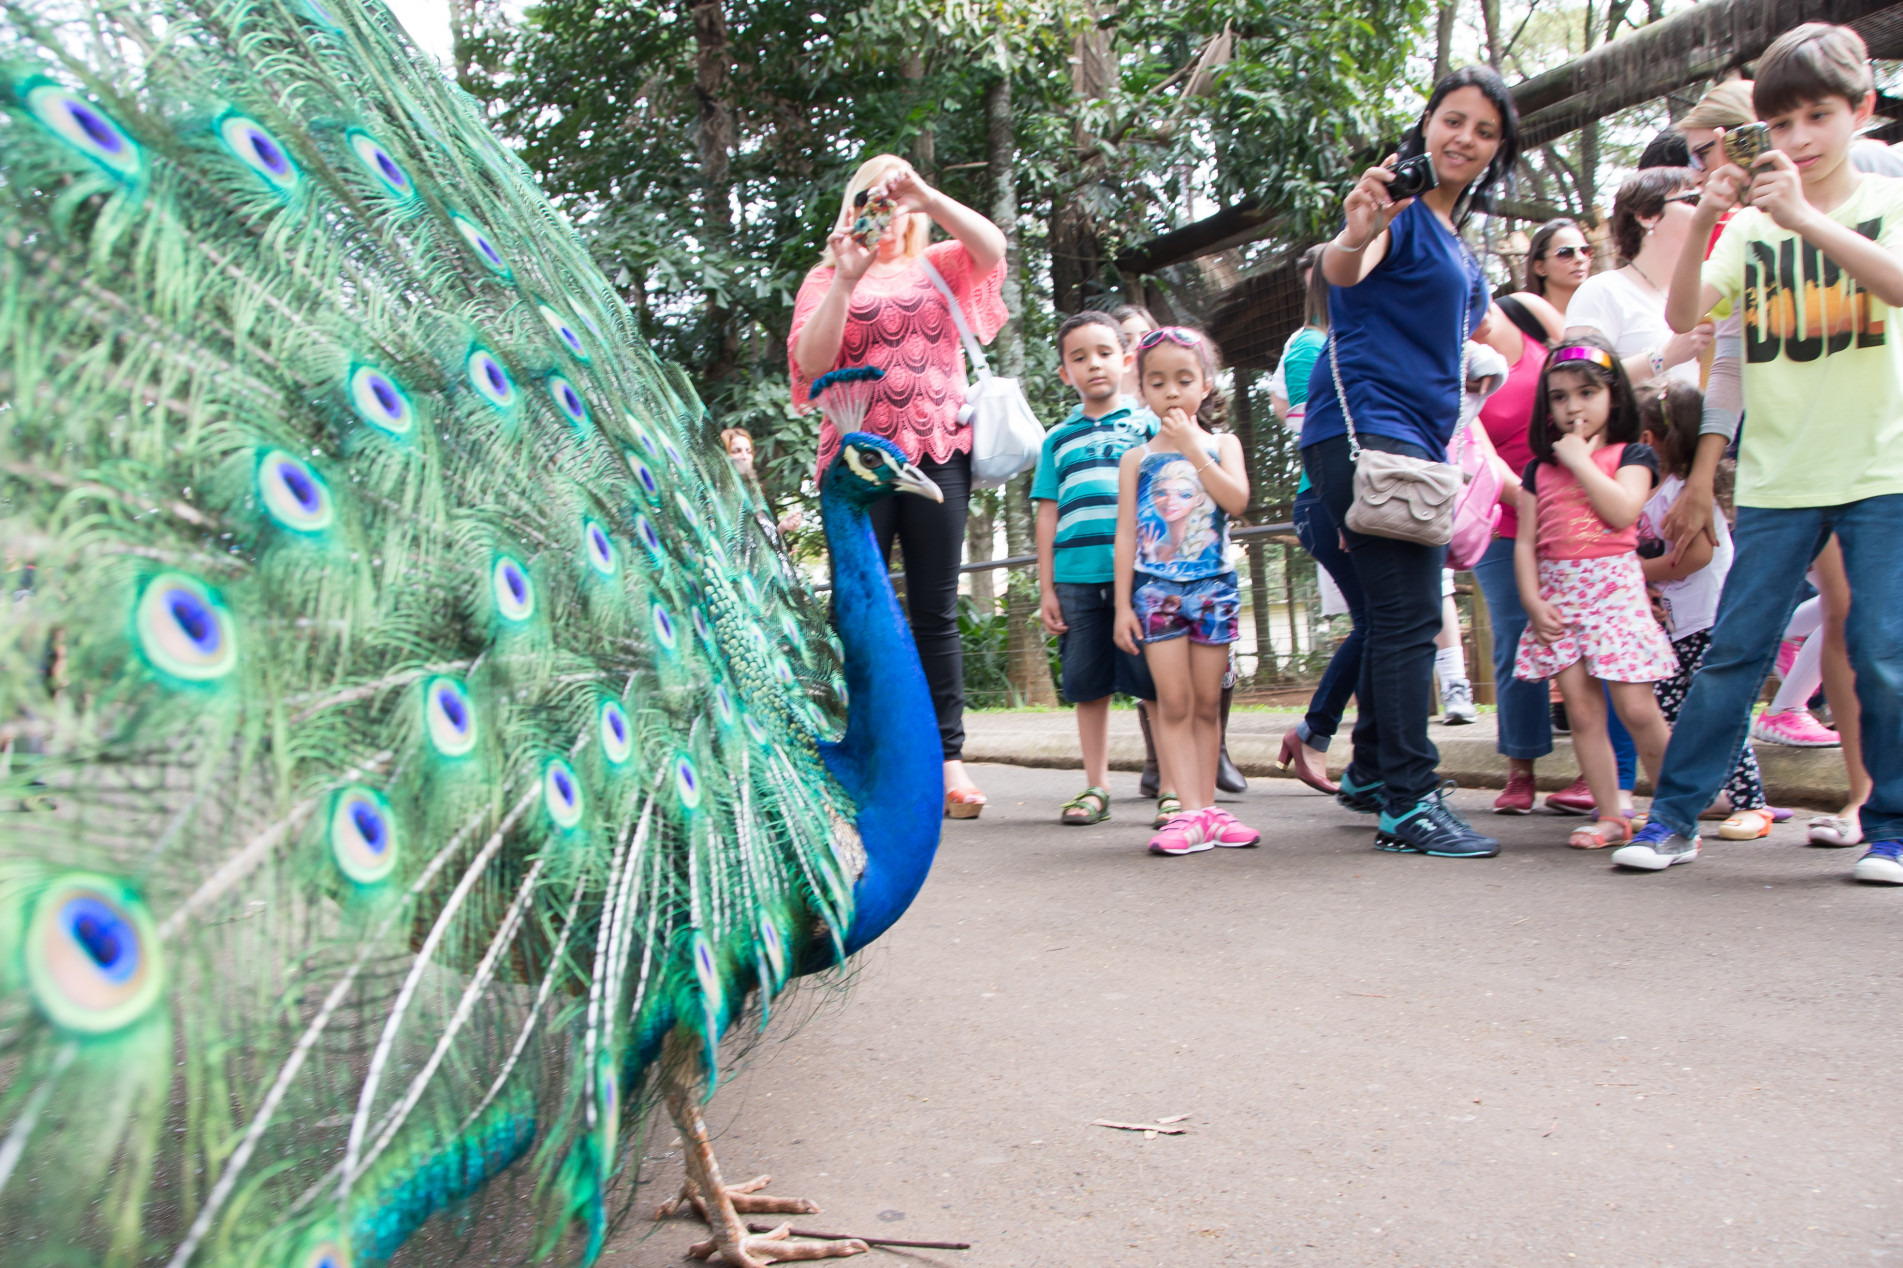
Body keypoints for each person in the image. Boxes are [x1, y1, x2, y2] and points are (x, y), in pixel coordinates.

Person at [1630, 22, 1903, 880]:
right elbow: (1682, 321)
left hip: (1879, 470)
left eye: (1818, 117)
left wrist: (1799, 218)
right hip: (1781, 480)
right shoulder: (1748, 232)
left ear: (1860, 111)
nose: (1797, 141)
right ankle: (1672, 821)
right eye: (1779, 126)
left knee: (1881, 652)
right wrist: (1712, 216)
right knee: (1732, 653)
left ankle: (1891, 828)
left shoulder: (1885, 205)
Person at [1301, 65, 1515, 859]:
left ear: (1495, 151)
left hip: (1412, 441)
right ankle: (1409, 803)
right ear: (1426, 124)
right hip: (1366, 432)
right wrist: (1355, 230)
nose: (1464, 138)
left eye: (1484, 131)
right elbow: (1342, 264)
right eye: (1453, 120)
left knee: (1396, 615)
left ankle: (1371, 773)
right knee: (1408, 618)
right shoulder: (1395, 211)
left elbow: (1496, 335)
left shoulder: (1457, 241)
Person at [788, 154, 1007, 818]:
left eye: (892, 197)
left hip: (937, 449)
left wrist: (926, 196)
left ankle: (947, 764)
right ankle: (861, 757)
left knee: (935, 612)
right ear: (849, 208)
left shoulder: (939, 264)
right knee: (854, 610)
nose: (881, 211)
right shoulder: (826, 276)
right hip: (856, 465)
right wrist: (844, 282)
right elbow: (810, 361)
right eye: (868, 198)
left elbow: (992, 248)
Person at [1513, 338, 1677, 850]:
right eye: (1559, 397)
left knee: (1637, 708)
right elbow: (1524, 543)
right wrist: (1532, 601)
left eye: (1586, 393)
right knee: (1582, 712)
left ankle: (1676, 810)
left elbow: (1624, 511)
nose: (1572, 407)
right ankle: (1611, 815)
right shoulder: (1538, 471)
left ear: (1614, 398)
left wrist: (1582, 462)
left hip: (1615, 597)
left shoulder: (1632, 454)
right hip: (1561, 601)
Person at [1113, 327, 1256, 855]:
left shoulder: (1223, 445)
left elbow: (1236, 500)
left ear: (1206, 384)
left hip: (1213, 591)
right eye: (1158, 382)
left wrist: (1197, 449)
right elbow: (1125, 533)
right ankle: (1187, 814)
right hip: (1156, 596)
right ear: (1143, 391)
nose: (1171, 392)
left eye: (1183, 379)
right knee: (1170, 703)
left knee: (1205, 702)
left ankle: (1208, 810)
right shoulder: (1136, 460)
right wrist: (1123, 606)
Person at [1635, 381, 1776, 840]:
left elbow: (1695, 556)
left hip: (1706, 620)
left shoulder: (1682, 492)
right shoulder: (1667, 490)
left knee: (1718, 712)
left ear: (1649, 439)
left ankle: (1753, 802)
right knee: (1675, 712)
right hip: (1682, 623)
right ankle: (1708, 796)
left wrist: (1638, 570)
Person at [1034, 312, 1159, 826]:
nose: (1094, 365)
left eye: (1105, 353)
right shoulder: (1057, 439)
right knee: (1088, 685)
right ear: (1065, 372)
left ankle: (1171, 787)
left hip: (1145, 578)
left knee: (1153, 683)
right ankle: (1096, 785)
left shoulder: (1149, 426)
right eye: (1079, 357)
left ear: (1127, 358)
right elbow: (1046, 510)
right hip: (1077, 578)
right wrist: (1047, 587)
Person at [1274, 246, 1351, 793]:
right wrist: (1343, 512)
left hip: (1359, 497)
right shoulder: (1307, 346)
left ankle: (1339, 742)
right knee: (1382, 624)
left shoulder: (1352, 337)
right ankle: (1315, 730)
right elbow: (1314, 434)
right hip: (1328, 501)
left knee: (1389, 625)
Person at [1565, 168, 1715, 387]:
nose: (1705, 207)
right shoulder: (1603, 290)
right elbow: (1573, 379)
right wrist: (1664, 357)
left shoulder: (1708, 288)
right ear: (1646, 216)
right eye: (1692, 199)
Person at [721, 427, 803, 537]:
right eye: (737, 451)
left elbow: (762, 545)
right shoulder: (720, 495)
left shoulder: (754, 495)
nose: (745, 456)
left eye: (748, 451)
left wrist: (782, 527)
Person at [1518, 218, 1594, 317]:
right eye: (1565, 253)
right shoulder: (1524, 320)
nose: (1580, 259)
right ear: (1540, 267)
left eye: (1584, 251)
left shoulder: (1603, 313)